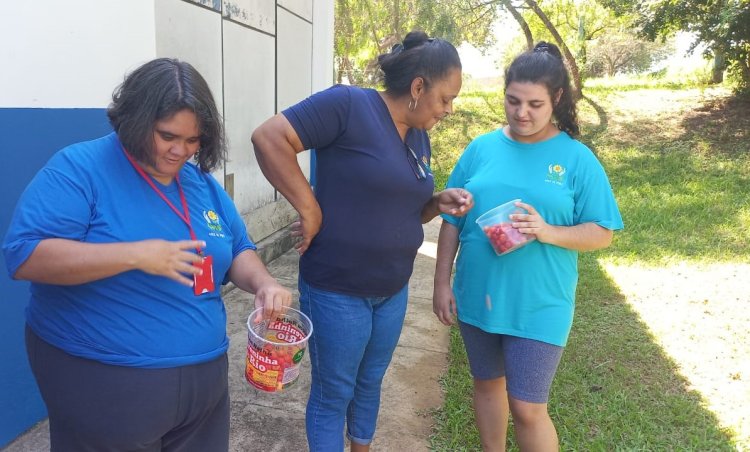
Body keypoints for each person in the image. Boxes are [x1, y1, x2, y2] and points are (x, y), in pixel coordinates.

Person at [2, 58, 292, 451]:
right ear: (136, 120)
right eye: (167, 136)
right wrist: (134, 255)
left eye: (194, 141)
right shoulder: (80, 169)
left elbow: (237, 247)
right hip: (106, 383)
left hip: (202, 388)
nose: (180, 151)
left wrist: (264, 282)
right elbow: (26, 255)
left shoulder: (200, 184)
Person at [251, 30, 473, 451]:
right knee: (334, 393)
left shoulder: (418, 136)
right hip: (338, 290)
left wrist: (435, 202)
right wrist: (309, 208)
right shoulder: (349, 105)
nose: (449, 109)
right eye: (446, 98)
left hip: (391, 290)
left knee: (370, 384)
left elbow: (404, 207)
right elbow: (269, 138)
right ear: (418, 87)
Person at [432, 42, 624, 451]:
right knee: (486, 386)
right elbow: (451, 220)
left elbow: (602, 231)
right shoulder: (481, 148)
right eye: (513, 101)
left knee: (527, 407)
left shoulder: (577, 159)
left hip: (541, 302)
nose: (522, 113)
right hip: (478, 295)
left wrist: (547, 230)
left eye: (535, 104)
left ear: (556, 99)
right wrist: (441, 283)